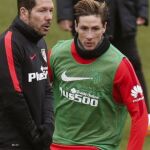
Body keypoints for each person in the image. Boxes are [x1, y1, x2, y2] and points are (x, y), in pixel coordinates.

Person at [48, 0, 148, 149]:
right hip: (56, 144)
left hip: (98, 146)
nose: (89, 35)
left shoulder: (119, 65)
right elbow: (37, 92)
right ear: (75, 26)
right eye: (84, 28)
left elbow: (140, 115)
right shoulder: (57, 54)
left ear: (104, 28)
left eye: (95, 28)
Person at [0, 0, 54, 150]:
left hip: (38, 139)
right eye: (42, 11)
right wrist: (34, 136)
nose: (49, 17)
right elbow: (12, 96)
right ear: (24, 13)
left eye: (51, 10)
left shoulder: (41, 42)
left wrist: (49, 125)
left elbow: (47, 89)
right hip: (14, 142)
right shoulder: (9, 42)